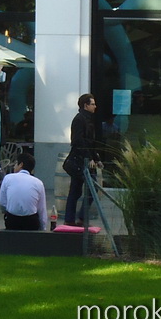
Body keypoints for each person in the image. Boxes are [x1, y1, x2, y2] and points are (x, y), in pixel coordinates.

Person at [64, 93, 103, 226]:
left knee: (77, 190)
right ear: (86, 105)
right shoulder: (79, 119)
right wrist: (89, 157)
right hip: (80, 160)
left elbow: (90, 142)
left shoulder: (87, 119)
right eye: (92, 104)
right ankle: (77, 218)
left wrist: (96, 158)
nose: (95, 106)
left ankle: (73, 218)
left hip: (84, 159)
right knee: (88, 189)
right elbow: (78, 141)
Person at [0, 153, 47, 231]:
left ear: (21, 164)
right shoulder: (38, 183)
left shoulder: (8, 178)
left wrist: (7, 211)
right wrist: (43, 228)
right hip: (31, 221)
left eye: (15, 164)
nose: (14, 167)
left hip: (12, 220)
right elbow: (41, 209)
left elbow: (2, 203)